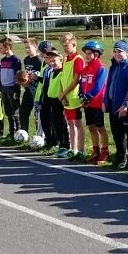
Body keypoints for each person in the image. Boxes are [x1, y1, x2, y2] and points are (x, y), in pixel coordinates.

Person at [103, 40, 128, 170]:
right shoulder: (114, 66)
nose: (117, 54)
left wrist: (125, 105)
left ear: (127, 53)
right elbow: (108, 85)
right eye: (115, 51)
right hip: (113, 106)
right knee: (117, 134)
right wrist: (105, 101)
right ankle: (120, 157)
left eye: (120, 51)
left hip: (126, 109)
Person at [79, 41, 109, 165]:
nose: (87, 56)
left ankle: (105, 151)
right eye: (86, 53)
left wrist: (89, 96)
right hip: (87, 103)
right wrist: (81, 94)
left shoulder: (101, 68)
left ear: (96, 54)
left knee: (100, 127)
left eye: (89, 53)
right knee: (91, 127)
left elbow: (98, 85)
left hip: (96, 102)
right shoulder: (85, 69)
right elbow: (81, 84)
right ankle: (95, 150)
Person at [59, 33, 85, 161]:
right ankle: (72, 148)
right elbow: (63, 77)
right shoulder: (65, 59)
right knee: (70, 123)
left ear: (74, 45)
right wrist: (61, 93)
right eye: (63, 45)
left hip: (74, 96)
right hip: (66, 96)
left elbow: (76, 80)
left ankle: (80, 150)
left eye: (67, 45)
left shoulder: (78, 59)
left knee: (77, 123)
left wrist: (65, 93)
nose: (64, 48)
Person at [45, 49, 71, 157]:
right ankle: (61, 145)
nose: (52, 62)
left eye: (54, 60)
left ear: (61, 59)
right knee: (55, 123)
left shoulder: (62, 72)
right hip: (52, 100)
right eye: (50, 60)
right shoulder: (52, 72)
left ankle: (66, 145)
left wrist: (63, 97)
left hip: (59, 100)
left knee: (62, 123)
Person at [0, 38, 22, 138]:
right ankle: (11, 132)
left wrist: (16, 90)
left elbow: (18, 76)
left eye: (1, 48)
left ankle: (18, 131)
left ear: (7, 47)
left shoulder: (16, 60)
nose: (0, 50)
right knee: (8, 111)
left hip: (12, 88)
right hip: (4, 87)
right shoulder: (3, 60)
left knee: (15, 111)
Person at [20, 38, 42, 133]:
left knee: (37, 113)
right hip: (28, 88)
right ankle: (24, 132)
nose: (27, 50)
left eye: (29, 47)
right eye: (25, 48)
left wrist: (36, 76)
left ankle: (39, 134)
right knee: (23, 110)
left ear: (35, 47)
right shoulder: (26, 60)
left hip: (37, 89)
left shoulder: (39, 60)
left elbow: (41, 74)